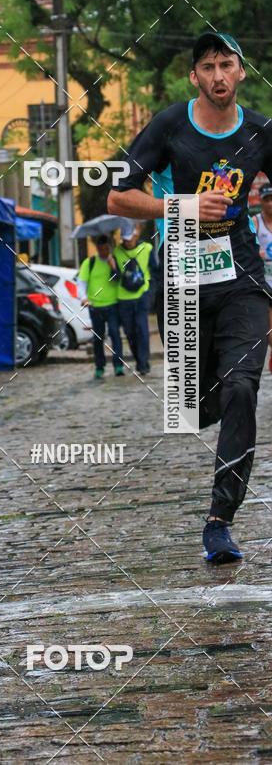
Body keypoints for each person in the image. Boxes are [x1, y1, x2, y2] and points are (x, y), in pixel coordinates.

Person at [108, 31, 272, 565]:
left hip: (243, 277)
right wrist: (179, 206)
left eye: (227, 64)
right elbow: (118, 195)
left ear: (242, 71)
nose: (219, 75)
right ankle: (207, 403)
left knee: (243, 389)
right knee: (193, 406)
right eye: (208, 67)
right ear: (194, 77)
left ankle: (219, 521)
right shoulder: (169, 125)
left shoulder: (261, 132)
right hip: (182, 280)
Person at [113, 222, 158, 375]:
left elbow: (155, 270)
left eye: (130, 238)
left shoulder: (147, 248)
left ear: (136, 234)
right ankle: (139, 360)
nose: (127, 242)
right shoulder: (116, 252)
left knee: (142, 328)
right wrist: (113, 267)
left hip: (142, 295)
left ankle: (144, 363)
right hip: (123, 298)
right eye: (124, 239)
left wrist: (152, 291)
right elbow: (114, 278)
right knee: (130, 332)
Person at [77, 234, 123, 379]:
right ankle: (99, 366)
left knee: (115, 335)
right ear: (97, 248)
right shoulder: (89, 263)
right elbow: (81, 282)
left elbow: (118, 281)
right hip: (95, 306)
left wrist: (114, 268)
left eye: (106, 249)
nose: (104, 251)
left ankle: (118, 366)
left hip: (113, 305)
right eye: (101, 249)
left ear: (109, 248)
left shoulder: (114, 261)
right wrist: (83, 298)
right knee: (98, 338)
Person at [251, 183, 272, 372]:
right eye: (267, 200)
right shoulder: (256, 222)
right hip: (265, 285)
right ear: (261, 201)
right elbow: (244, 248)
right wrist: (257, 252)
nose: (271, 204)